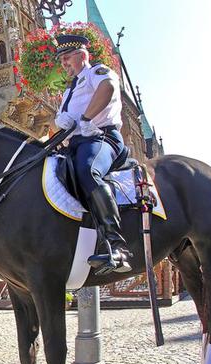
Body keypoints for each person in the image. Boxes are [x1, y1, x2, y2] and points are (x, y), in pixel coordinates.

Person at [53, 34, 133, 275]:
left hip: (101, 137)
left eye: (67, 57)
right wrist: (61, 124)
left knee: (88, 170)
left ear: (83, 55)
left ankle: (117, 246)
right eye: (61, 60)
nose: (64, 63)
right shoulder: (68, 91)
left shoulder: (95, 72)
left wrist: (86, 119)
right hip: (75, 143)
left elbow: (107, 88)